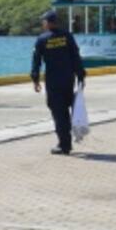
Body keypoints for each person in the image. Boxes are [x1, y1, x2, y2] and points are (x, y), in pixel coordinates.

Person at [31, 9, 86, 155]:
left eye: (44, 21)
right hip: (68, 79)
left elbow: (36, 61)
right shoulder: (67, 36)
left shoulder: (42, 39)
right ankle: (66, 140)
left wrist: (35, 79)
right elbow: (76, 56)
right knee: (66, 109)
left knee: (59, 112)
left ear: (48, 23)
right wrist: (81, 76)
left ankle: (64, 144)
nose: (43, 24)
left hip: (53, 81)